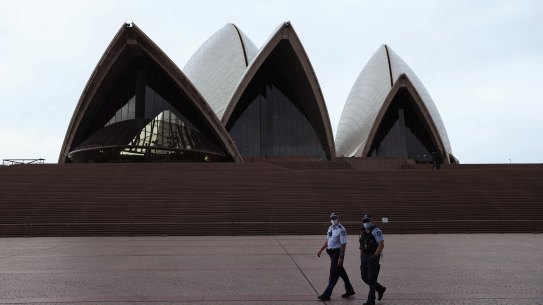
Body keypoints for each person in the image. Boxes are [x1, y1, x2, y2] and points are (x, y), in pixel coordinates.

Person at [317, 212, 355, 301]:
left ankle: (327, 293)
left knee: (333, 273)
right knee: (341, 271)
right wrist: (321, 249)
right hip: (330, 252)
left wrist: (341, 258)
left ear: (338, 219)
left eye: (335, 218)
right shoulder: (330, 228)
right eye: (332, 218)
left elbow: (343, 244)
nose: (333, 220)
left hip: (337, 253)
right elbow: (327, 240)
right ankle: (350, 290)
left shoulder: (341, 230)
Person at [359, 214, 386, 305]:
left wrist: (374, 256)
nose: (366, 222)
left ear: (371, 221)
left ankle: (371, 301)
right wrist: (361, 257)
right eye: (364, 221)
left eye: (367, 220)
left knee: (371, 278)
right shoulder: (363, 232)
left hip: (372, 256)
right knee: (364, 277)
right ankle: (380, 289)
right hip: (364, 257)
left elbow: (381, 244)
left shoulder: (376, 231)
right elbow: (361, 246)